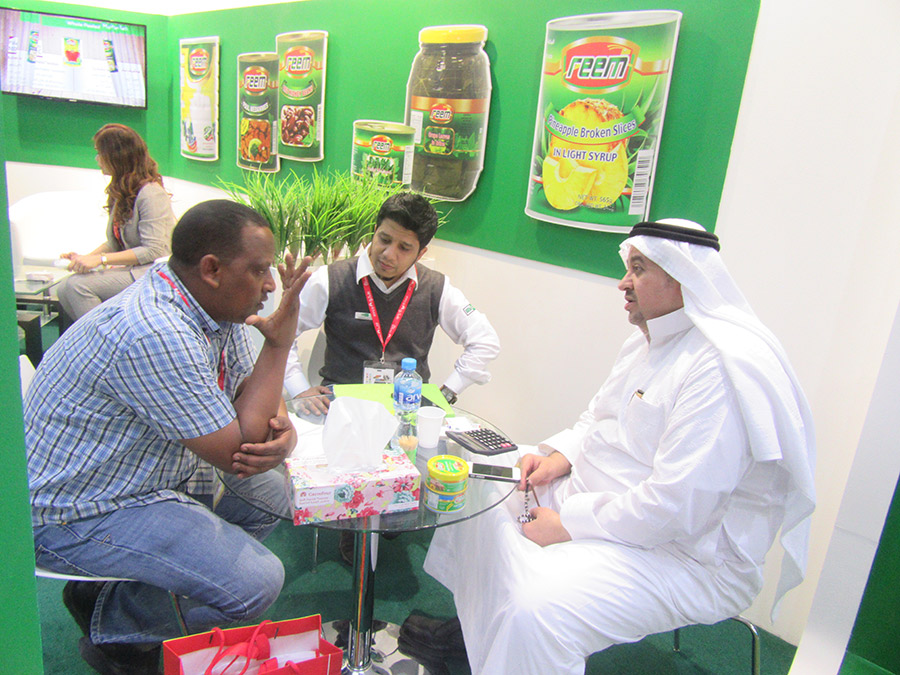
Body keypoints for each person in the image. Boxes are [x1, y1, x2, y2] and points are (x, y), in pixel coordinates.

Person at [414, 219, 816, 675]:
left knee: (537, 608)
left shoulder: (717, 371)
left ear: (681, 278)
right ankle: (474, 633)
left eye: (638, 270)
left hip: (682, 553)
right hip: (599, 499)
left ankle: (499, 636)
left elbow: (674, 508)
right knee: (470, 466)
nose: (623, 283)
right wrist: (559, 457)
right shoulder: (645, 340)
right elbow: (597, 419)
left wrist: (567, 525)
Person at [26, 200, 311, 674]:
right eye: (259, 269)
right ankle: (110, 620)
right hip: (75, 509)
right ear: (212, 269)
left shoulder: (206, 301)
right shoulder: (156, 331)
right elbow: (238, 451)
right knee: (257, 583)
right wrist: (279, 345)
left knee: (270, 491)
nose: (269, 285)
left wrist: (283, 430)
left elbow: (251, 392)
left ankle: (132, 594)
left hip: (138, 476)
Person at [283, 191, 500, 411]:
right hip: (341, 407)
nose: (388, 254)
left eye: (404, 248)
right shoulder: (330, 279)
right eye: (384, 240)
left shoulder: (436, 288)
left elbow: (485, 341)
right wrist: (299, 389)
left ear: (420, 253)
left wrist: (448, 391)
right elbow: (281, 336)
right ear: (374, 231)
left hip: (407, 409)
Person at [56, 123, 176, 322]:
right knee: (63, 288)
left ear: (116, 156)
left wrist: (101, 260)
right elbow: (115, 243)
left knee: (77, 286)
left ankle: (106, 337)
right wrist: (85, 258)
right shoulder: (121, 191)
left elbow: (154, 250)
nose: (97, 159)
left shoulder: (151, 194)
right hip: (132, 269)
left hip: (152, 272)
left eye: (100, 153)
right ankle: (94, 335)